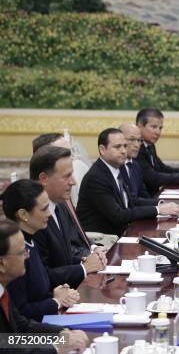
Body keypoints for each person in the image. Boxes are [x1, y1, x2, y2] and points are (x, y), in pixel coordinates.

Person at [0, 220, 89, 354]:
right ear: (2, 263)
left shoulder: (3, 290)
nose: (27, 256)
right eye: (21, 252)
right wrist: (55, 348)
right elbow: (5, 346)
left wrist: (61, 334)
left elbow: (21, 327)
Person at [77, 128, 179, 236]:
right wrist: (158, 210)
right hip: (104, 241)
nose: (123, 151)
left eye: (125, 146)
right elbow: (119, 216)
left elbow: (132, 201)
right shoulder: (97, 177)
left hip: (122, 232)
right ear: (102, 149)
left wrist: (163, 205)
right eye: (117, 147)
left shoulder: (113, 169)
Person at [2, 180, 81, 322]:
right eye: (44, 209)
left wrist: (54, 295)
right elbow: (21, 316)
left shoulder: (31, 240)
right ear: (23, 214)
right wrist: (56, 302)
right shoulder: (14, 253)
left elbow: (36, 292)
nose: (50, 214)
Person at [30, 146, 106, 289]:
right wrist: (83, 268)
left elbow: (62, 257)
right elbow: (41, 276)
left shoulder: (60, 204)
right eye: (66, 176)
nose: (73, 182)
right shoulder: (33, 217)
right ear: (43, 179)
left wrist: (85, 259)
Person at [136, 108, 179, 195]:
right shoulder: (136, 148)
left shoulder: (149, 145)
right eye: (153, 127)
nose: (158, 132)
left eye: (160, 128)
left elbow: (163, 168)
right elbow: (153, 178)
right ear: (140, 126)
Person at [32, 133, 90, 207]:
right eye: (63, 154)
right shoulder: (40, 207)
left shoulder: (79, 168)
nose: (70, 159)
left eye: (70, 152)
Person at [118, 123, 151, 199]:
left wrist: (161, 204)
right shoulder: (115, 166)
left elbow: (143, 195)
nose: (137, 145)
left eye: (139, 140)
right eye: (132, 139)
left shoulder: (136, 165)